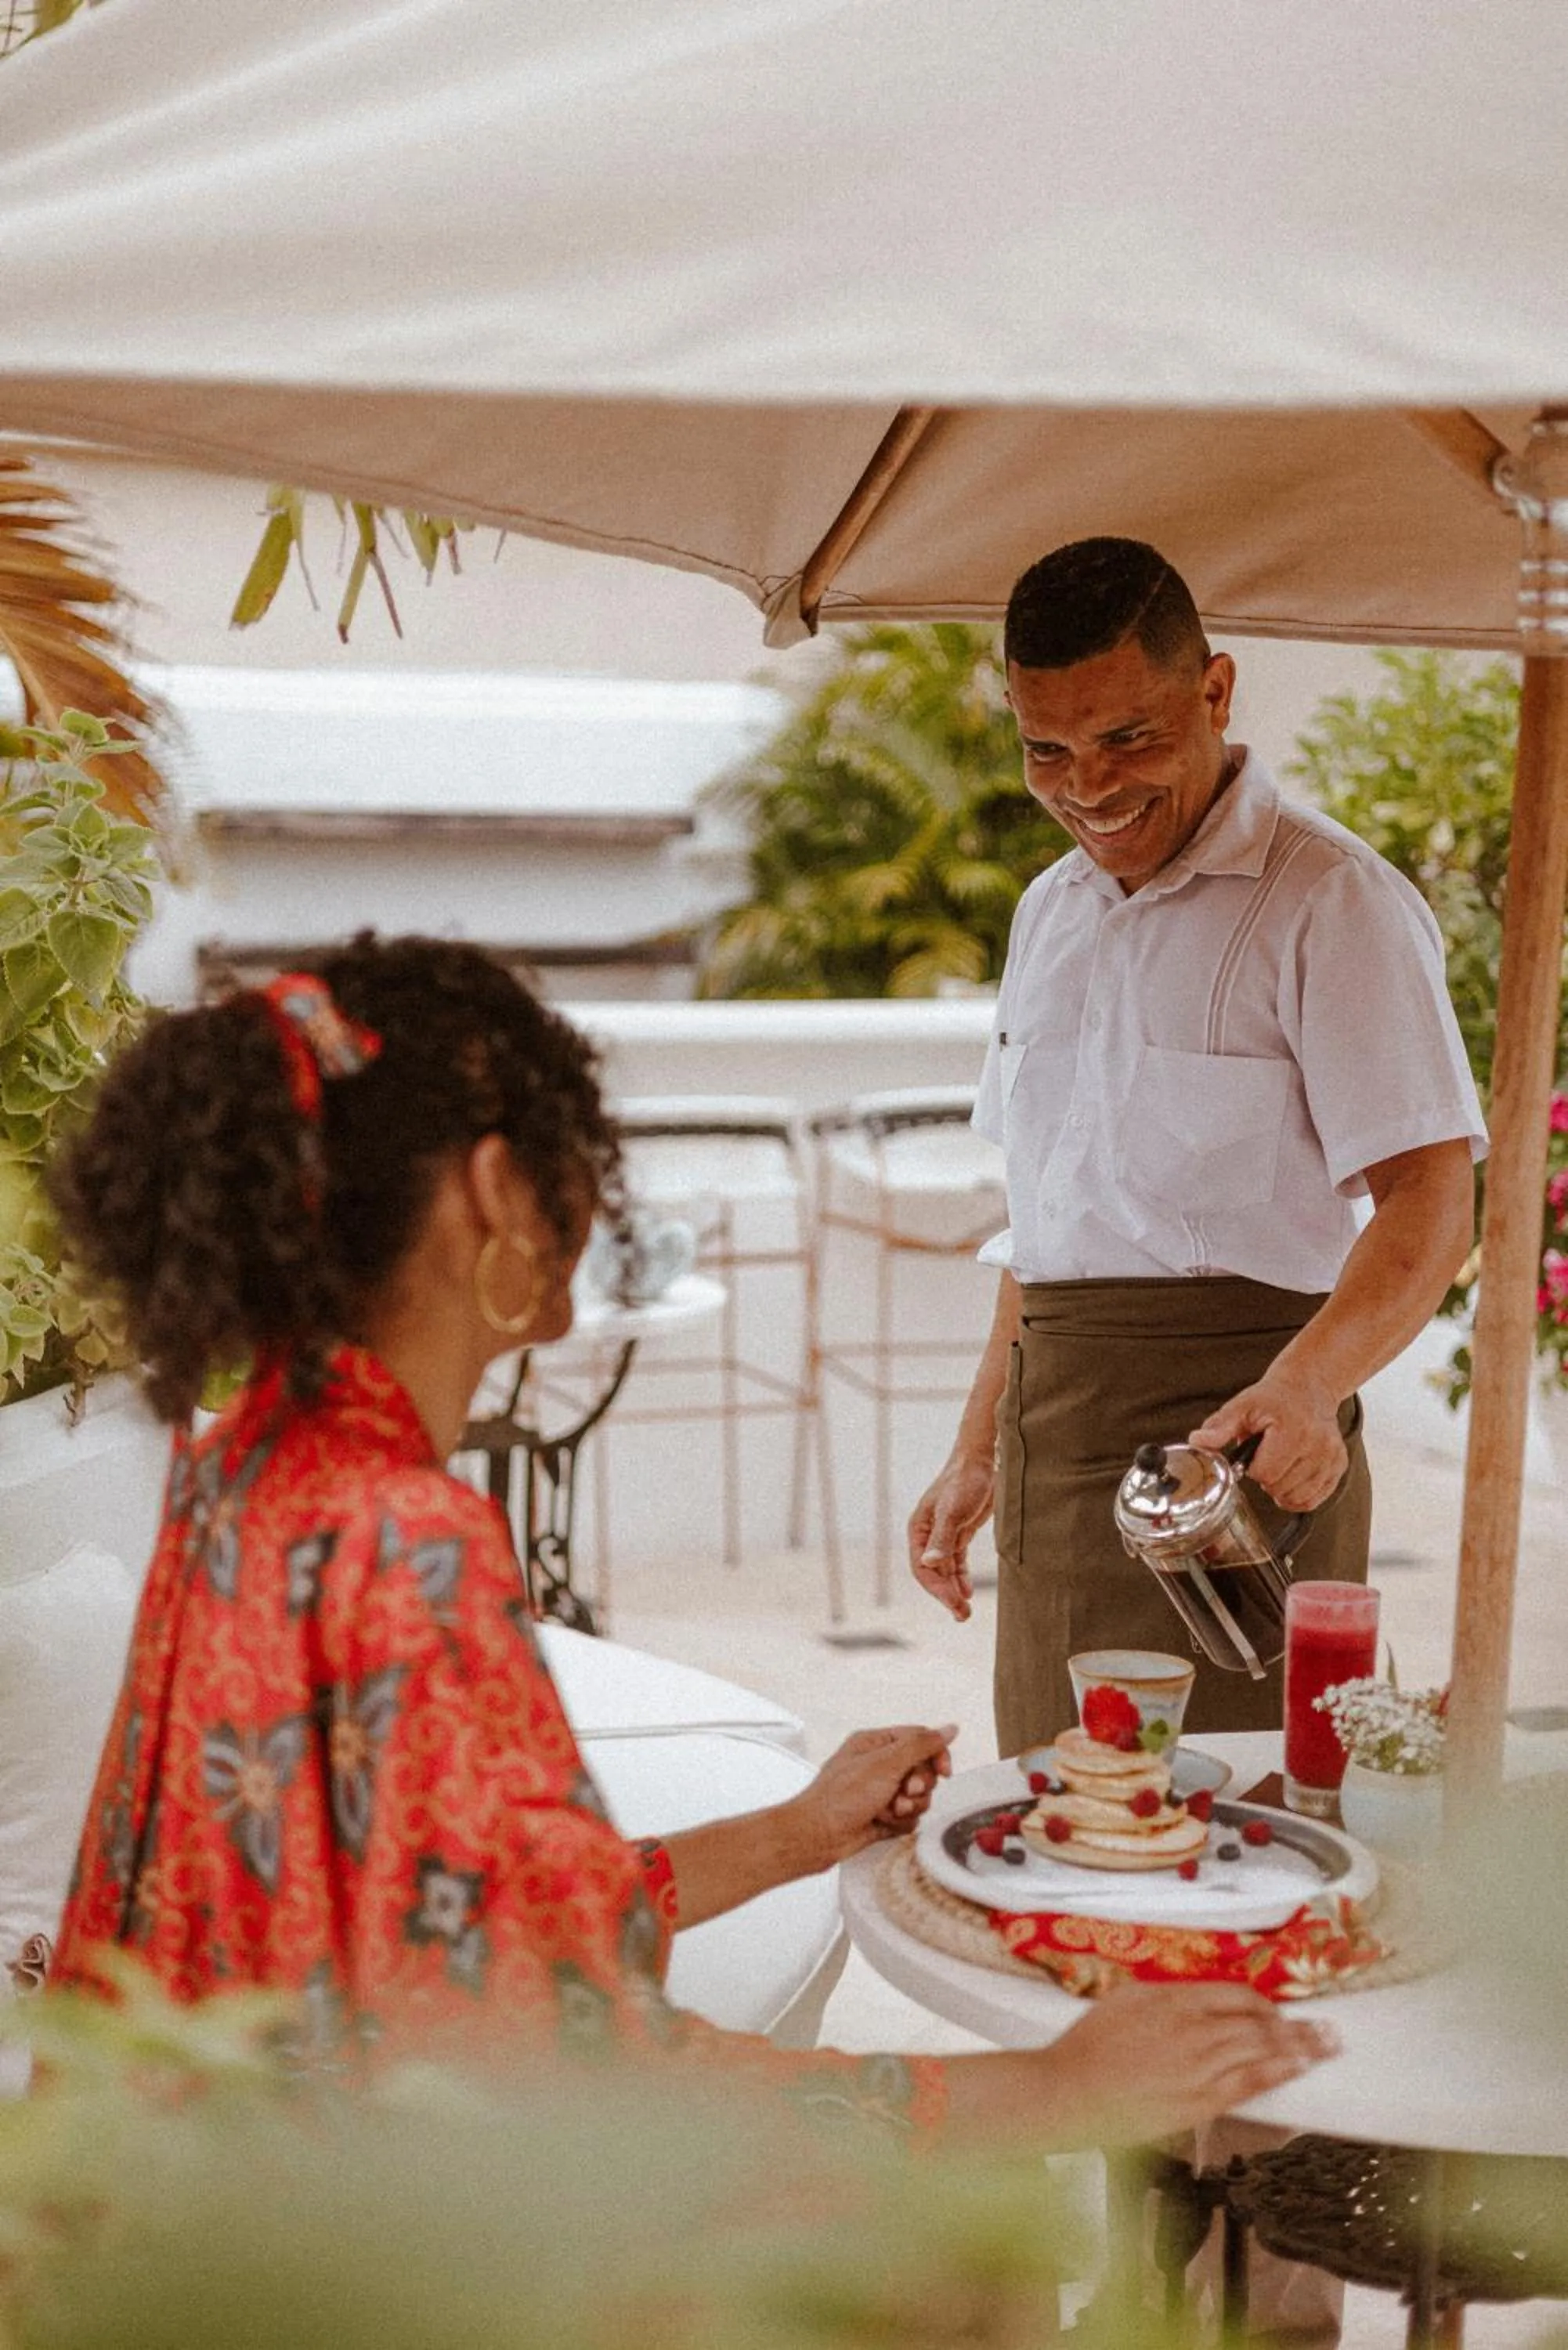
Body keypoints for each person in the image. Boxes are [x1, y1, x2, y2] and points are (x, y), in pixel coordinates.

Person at [49, 935, 1331, 2148]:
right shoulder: (400, 1540)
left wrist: (792, 1831)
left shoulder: (246, 1472)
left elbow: (477, 1927)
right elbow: (579, 2067)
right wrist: (1045, 2089)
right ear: (496, 1188)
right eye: (566, 1142)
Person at [909, 540, 1486, 1755]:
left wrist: (1309, 1384)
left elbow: (1431, 1195)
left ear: (1215, 694)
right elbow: (1047, 1226)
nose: (1087, 787)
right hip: (1050, 1452)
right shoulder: (1046, 913)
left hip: (1239, 1465)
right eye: (1045, 750)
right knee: (1062, 1822)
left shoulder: (1333, 900)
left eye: (1126, 738)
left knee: (1232, 1850)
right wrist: (974, 1450)